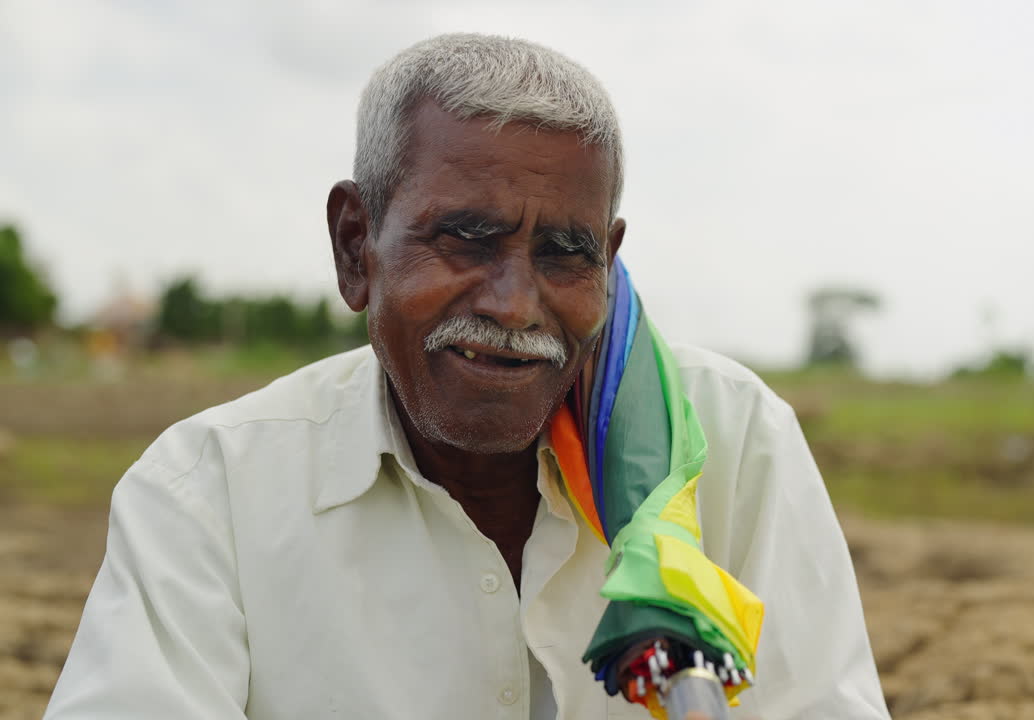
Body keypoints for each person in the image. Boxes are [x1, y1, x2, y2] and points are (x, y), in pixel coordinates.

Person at [44, 34, 889, 720]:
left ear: (610, 259)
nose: (516, 305)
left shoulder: (738, 446)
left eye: (566, 252)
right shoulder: (207, 495)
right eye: (467, 238)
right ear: (355, 247)